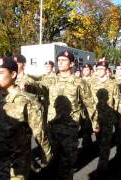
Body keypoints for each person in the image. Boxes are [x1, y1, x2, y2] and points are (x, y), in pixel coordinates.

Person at [44, 50, 96, 180]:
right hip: (52, 128)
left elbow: (89, 103)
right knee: (53, 163)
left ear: (72, 63)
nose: (60, 62)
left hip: (69, 130)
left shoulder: (79, 82)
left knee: (67, 165)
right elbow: (37, 86)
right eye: (59, 60)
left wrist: (95, 122)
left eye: (64, 60)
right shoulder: (51, 80)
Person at [88, 60, 121, 174]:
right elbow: (89, 100)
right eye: (97, 69)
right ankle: (102, 160)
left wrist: (119, 117)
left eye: (102, 69)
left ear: (106, 70)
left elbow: (118, 101)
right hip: (96, 118)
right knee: (98, 140)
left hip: (108, 118)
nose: (99, 71)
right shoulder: (92, 83)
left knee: (105, 143)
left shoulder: (112, 84)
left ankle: (102, 167)